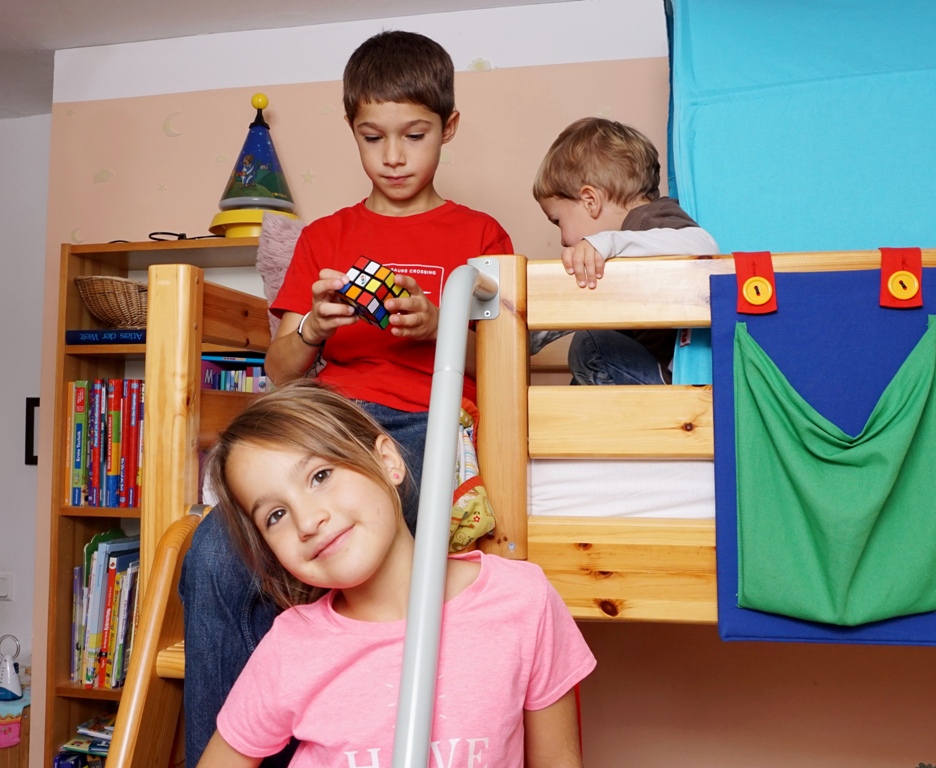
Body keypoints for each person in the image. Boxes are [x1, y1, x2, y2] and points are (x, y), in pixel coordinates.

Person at [180, 29, 514, 768]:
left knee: (385, 524)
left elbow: (505, 363)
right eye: (373, 137)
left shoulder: (481, 232)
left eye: (414, 135)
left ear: (448, 128)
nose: (393, 156)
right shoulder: (327, 236)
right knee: (211, 555)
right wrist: (311, 325)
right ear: (351, 131)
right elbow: (280, 371)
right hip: (329, 425)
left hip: (431, 425)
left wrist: (439, 326)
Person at [195, 381, 596, 767]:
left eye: (320, 476)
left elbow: (557, 760)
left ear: (388, 461)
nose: (308, 521)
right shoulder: (290, 645)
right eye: (275, 515)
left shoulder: (522, 599)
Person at [531, 117, 719, 385]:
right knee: (582, 375)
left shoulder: (646, 219)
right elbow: (584, 303)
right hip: (652, 372)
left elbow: (704, 246)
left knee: (592, 345)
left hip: (682, 386)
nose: (562, 240)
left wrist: (610, 242)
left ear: (590, 201)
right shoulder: (620, 253)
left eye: (558, 221)